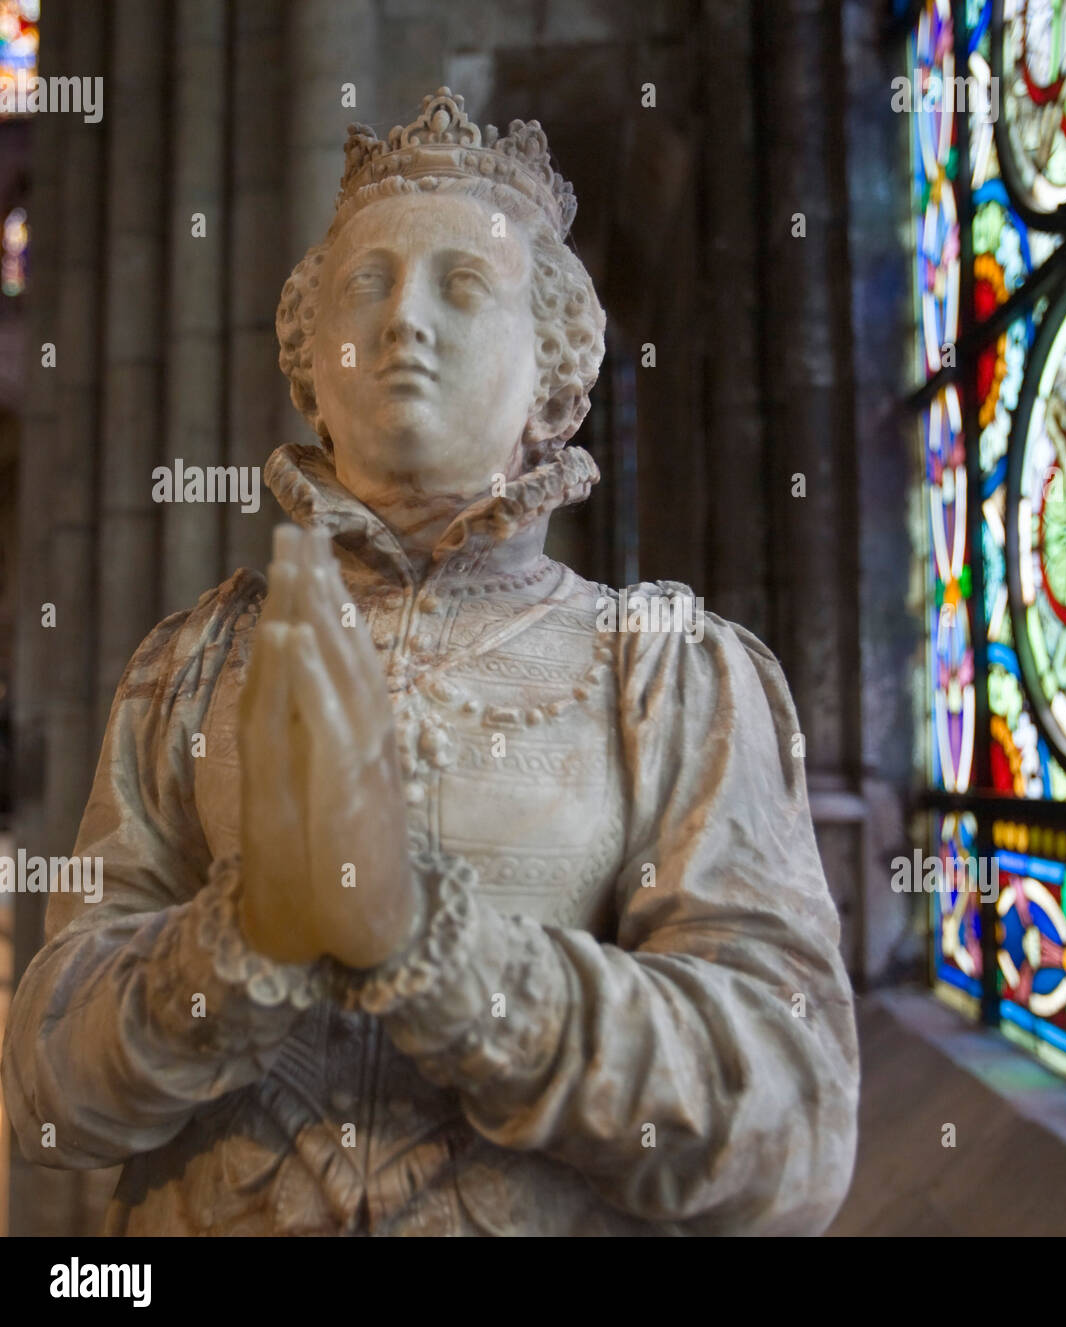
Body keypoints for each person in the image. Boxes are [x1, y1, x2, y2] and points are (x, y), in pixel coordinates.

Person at [1, 89, 859, 1235]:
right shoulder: (192, 660)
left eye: (464, 287)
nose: (406, 319)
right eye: (368, 284)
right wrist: (233, 946)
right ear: (310, 360)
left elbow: (792, 1123)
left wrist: (440, 952)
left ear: (553, 373)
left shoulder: (668, 669)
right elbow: (44, 1100)